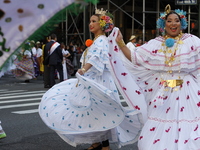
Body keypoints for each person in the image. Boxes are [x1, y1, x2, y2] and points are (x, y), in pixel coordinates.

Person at [39, 8, 142, 150]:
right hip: (93, 80)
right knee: (93, 112)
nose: (90, 24)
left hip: (100, 81)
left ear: (101, 24)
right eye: (90, 21)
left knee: (100, 112)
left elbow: (96, 58)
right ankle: (97, 141)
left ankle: (105, 145)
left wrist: (84, 69)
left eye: (94, 21)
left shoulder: (101, 40)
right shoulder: (96, 41)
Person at [108, 4, 200, 150]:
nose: (173, 23)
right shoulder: (156, 43)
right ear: (164, 24)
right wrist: (120, 42)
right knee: (160, 124)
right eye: (169, 21)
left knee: (188, 125)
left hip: (186, 91)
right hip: (163, 91)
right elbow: (135, 58)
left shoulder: (192, 41)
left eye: (176, 20)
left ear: (181, 23)